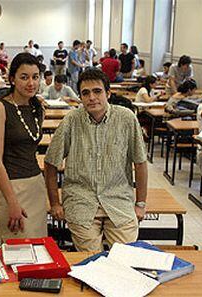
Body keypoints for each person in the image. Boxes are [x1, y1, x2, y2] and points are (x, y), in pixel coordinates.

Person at [44, 68, 148, 252]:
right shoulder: (71, 121)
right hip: (81, 201)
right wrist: (55, 203)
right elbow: (51, 163)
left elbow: (140, 163)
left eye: (97, 91)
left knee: (126, 257)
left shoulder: (126, 118)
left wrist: (140, 204)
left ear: (108, 93)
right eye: (86, 93)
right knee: (92, 259)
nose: (92, 97)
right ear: (80, 97)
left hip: (118, 201)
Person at [0, 53, 47, 242]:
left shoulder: (39, 108)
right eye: (24, 77)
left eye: (35, 77)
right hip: (11, 187)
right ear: (12, 79)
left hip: (36, 184)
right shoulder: (0, 108)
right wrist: (12, 202)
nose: (31, 83)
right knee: (17, 251)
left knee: (38, 248)